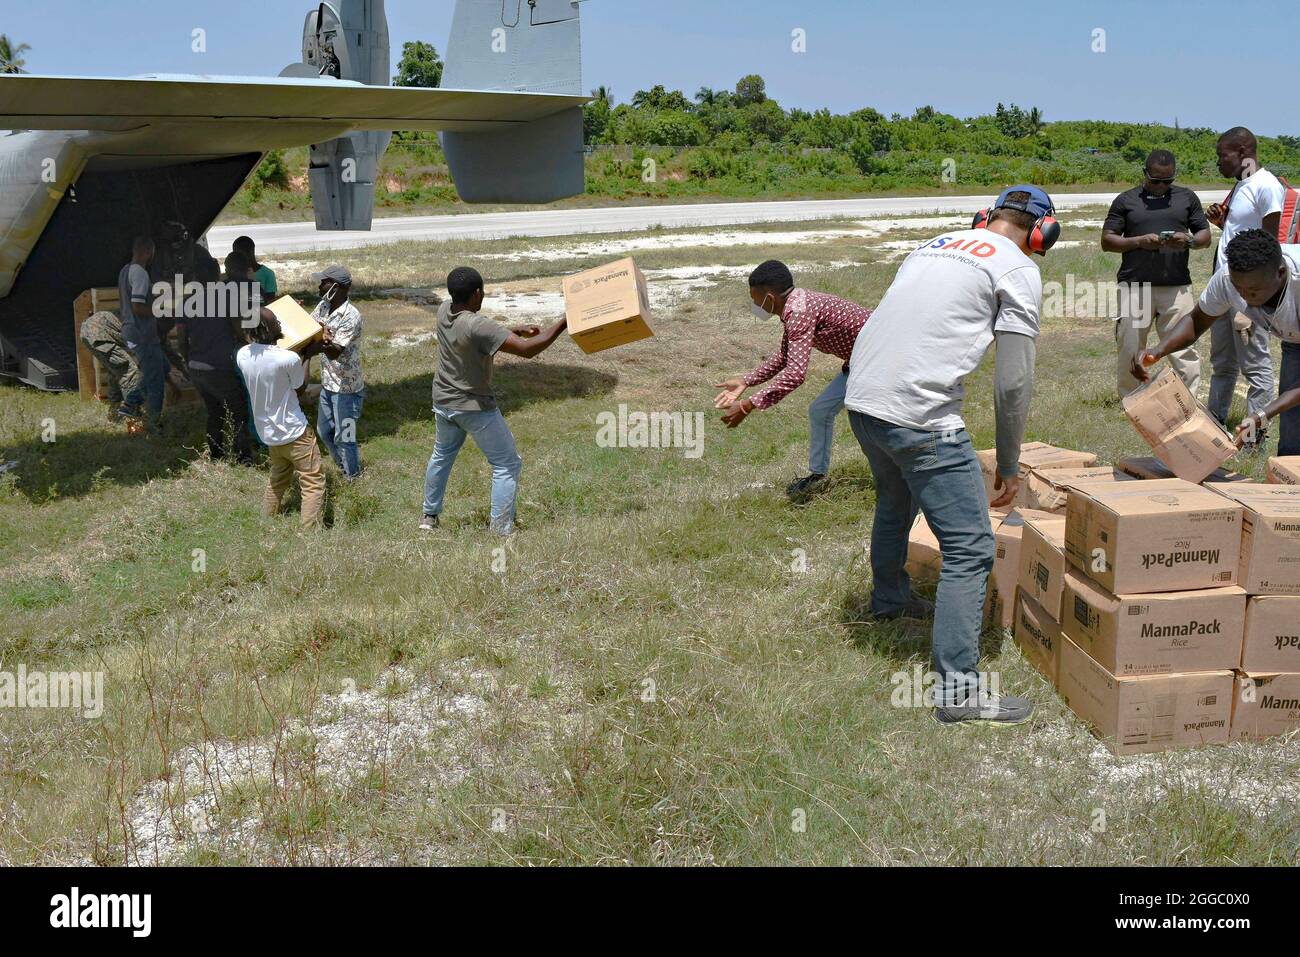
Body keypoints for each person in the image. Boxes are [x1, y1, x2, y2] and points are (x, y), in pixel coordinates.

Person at [844, 186, 1053, 726]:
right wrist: (1009, 463)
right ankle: (959, 693)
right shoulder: (1017, 268)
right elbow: (1013, 384)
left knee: (895, 498)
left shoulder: (932, 244)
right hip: (919, 415)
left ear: (984, 218)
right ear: (1041, 233)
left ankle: (889, 599)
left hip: (863, 401)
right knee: (969, 545)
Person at [420, 267, 568, 536]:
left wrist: (511, 331)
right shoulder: (478, 325)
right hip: (473, 407)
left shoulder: (444, 311)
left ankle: (429, 517)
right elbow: (528, 350)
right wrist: (563, 322)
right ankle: (501, 529)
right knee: (506, 463)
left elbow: (476, 338)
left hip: (443, 402)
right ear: (477, 294)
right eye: (483, 292)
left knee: (441, 456)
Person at [713, 261, 873, 500]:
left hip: (879, 361)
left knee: (869, 419)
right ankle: (818, 476)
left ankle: (893, 476)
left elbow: (796, 373)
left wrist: (748, 405)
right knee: (820, 411)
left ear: (769, 297)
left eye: (755, 299)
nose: (755, 305)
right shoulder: (796, 304)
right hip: (861, 362)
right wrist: (746, 381)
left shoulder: (798, 311)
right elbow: (786, 356)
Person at [1133, 229, 1300, 457]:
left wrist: (1264, 413)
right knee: (1293, 417)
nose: (1243, 296)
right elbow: (1196, 320)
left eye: (1252, 291)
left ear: (1280, 273)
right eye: (1238, 287)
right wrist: (1158, 351)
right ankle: (1289, 479)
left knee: (1290, 400)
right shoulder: (1229, 280)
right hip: (1294, 336)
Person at [1101, 149, 1212, 398]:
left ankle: (1188, 402)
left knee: (1183, 348)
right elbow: (1107, 241)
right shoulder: (1126, 200)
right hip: (1135, 286)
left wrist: (1188, 241)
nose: (1161, 186)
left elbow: (1205, 236)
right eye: (1155, 180)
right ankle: (1131, 401)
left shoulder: (1187, 198)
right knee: (1130, 346)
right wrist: (1139, 241)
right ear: (1144, 174)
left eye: (1167, 181)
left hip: (1176, 287)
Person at [1204, 127, 1285, 448]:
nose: (1219, 162)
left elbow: (1269, 245)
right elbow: (1244, 234)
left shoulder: (1266, 186)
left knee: (1256, 369)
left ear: (1242, 151)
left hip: (1247, 295)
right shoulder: (1243, 186)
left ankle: (1253, 441)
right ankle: (1212, 427)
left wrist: (1253, 307)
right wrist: (1223, 224)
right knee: (1222, 365)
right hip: (1225, 289)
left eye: (1223, 155)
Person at [237, 309, 326, 529]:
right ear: (267, 329)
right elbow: (301, 388)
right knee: (312, 481)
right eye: (276, 321)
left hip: (269, 434)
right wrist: (307, 356)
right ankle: (310, 530)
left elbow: (272, 359)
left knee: (277, 479)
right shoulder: (289, 358)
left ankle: (268, 519)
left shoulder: (243, 354)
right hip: (295, 432)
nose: (280, 324)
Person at [177, 258, 253, 463]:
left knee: (214, 412)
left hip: (196, 367)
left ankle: (216, 454)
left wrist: (187, 363)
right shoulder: (226, 298)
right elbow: (239, 328)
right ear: (216, 276)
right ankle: (243, 457)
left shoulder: (186, 302)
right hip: (219, 366)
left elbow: (181, 339)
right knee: (238, 411)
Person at [310, 265, 365, 480]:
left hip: (347, 389)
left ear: (336, 286)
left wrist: (322, 338)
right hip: (328, 384)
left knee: (346, 436)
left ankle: (352, 477)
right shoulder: (323, 306)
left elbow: (334, 352)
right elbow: (310, 327)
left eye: (323, 282)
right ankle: (343, 466)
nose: (319, 286)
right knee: (324, 432)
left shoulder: (351, 316)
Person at [118, 236, 166, 433]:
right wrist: (161, 310)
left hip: (132, 331)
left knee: (163, 367)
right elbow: (138, 307)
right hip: (142, 334)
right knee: (156, 382)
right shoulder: (140, 274)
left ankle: (130, 404)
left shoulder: (125, 270)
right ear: (148, 251)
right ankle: (153, 424)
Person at [78, 309, 143, 420]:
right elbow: (133, 342)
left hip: (87, 333)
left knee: (115, 371)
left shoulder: (127, 314)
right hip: (100, 334)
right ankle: (132, 410)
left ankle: (115, 410)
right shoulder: (139, 323)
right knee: (129, 370)